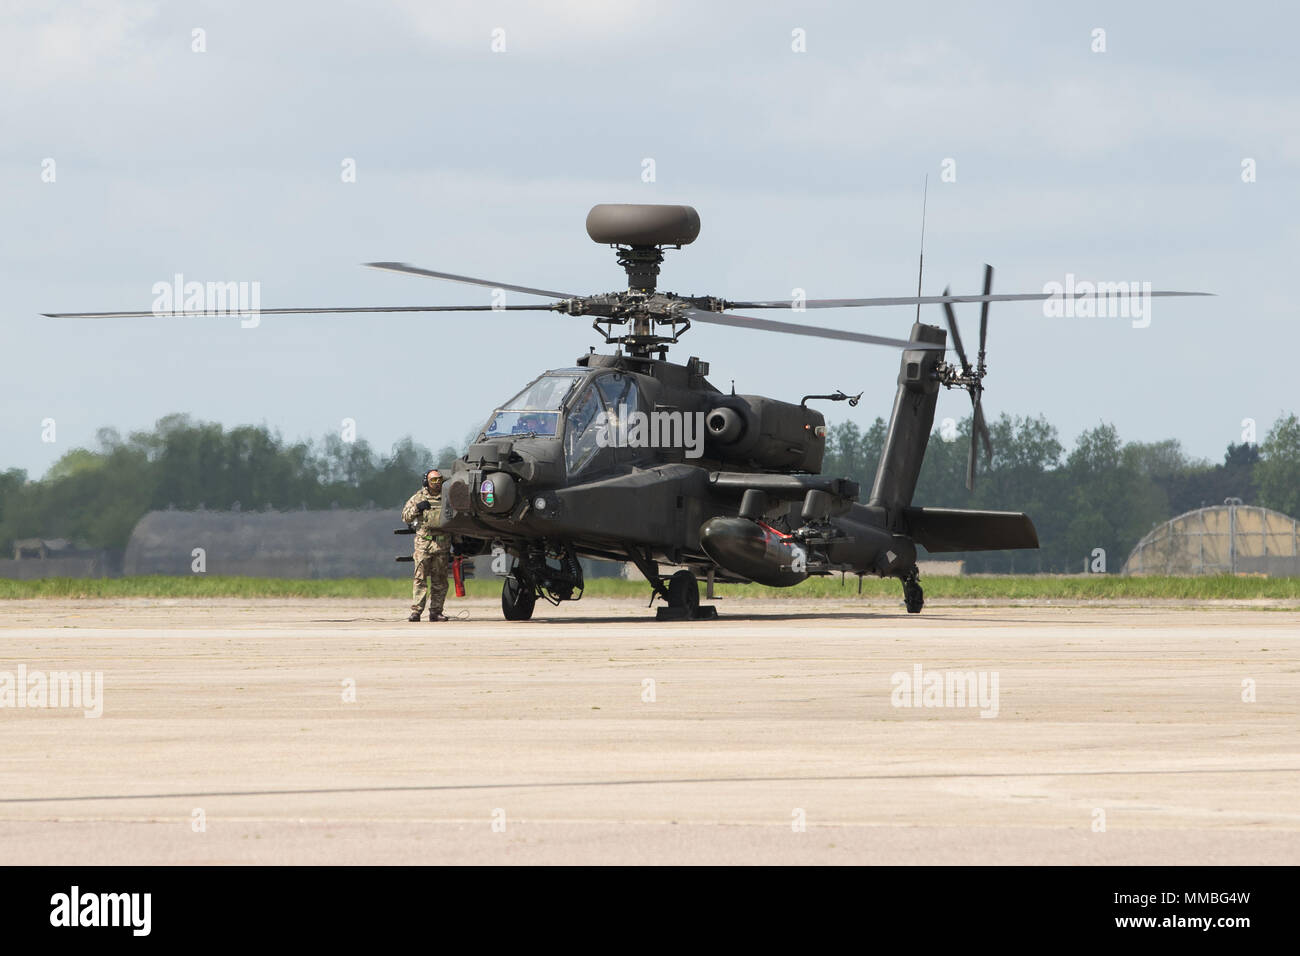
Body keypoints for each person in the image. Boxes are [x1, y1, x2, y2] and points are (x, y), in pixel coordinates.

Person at [401, 469, 450, 622]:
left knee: (440, 580)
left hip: (441, 544)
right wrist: (417, 508)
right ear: (426, 482)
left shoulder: (447, 497)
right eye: (433, 480)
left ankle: (436, 612)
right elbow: (405, 517)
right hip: (424, 544)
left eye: (439, 480)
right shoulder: (418, 497)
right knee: (420, 578)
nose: (437, 483)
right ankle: (416, 611)